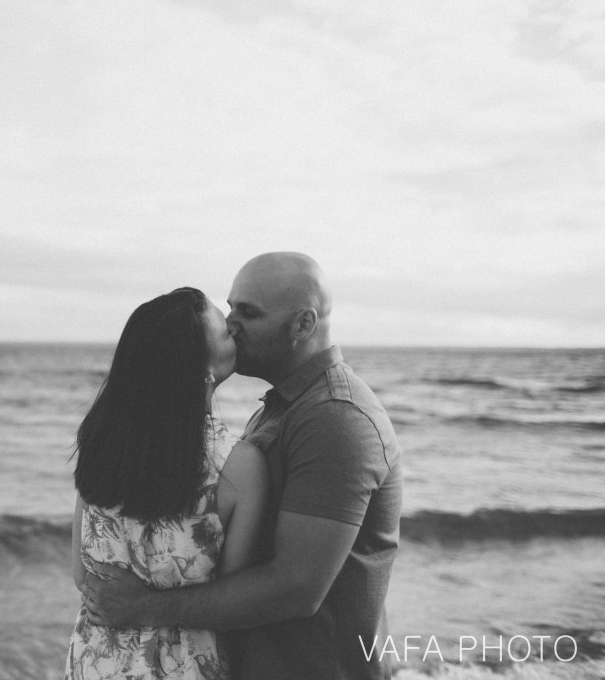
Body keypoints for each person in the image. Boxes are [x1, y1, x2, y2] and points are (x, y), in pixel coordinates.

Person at [83, 253, 403, 680]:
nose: (231, 324)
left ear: (303, 325)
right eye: (231, 307)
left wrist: (143, 607)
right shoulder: (284, 409)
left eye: (248, 313)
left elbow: (295, 589)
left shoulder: (335, 419)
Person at [65, 287, 270, 680]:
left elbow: (82, 575)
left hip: (96, 661)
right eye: (224, 331)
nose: (234, 328)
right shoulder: (239, 466)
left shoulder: (100, 441)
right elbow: (232, 606)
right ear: (200, 369)